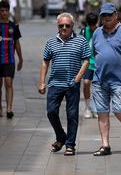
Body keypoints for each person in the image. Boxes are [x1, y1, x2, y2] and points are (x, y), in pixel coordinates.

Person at [91, 2, 121, 156]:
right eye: (103, 15)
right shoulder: (97, 33)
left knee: (120, 110)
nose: (106, 17)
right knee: (102, 112)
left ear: (116, 15)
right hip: (99, 80)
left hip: (119, 80)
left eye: (109, 14)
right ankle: (105, 145)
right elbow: (95, 52)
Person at [38, 13, 91, 156]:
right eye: (61, 25)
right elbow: (45, 62)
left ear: (72, 26)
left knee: (72, 115)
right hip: (55, 83)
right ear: (58, 26)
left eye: (67, 25)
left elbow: (87, 60)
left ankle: (70, 145)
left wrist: (78, 78)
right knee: (51, 112)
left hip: (72, 84)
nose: (64, 28)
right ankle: (61, 136)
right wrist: (42, 82)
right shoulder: (51, 42)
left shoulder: (81, 41)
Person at [0, 0, 23, 119]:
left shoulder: (14, 26)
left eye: (6, 10)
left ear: (8, 11)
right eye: (2, 10)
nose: (4, 13)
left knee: (8, 82)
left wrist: (21, 59)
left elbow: (17, 43)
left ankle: (9, 109)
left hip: (9, 60)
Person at [79, 12, 99, 119]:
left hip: (99, 63)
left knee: (97, 86)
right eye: (90, 25)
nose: (91, 27)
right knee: (86, 83)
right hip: (87, 62)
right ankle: (87, 107)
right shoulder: (83, 31)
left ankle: (96, 108)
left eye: (93, 24)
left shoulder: (100, 31)